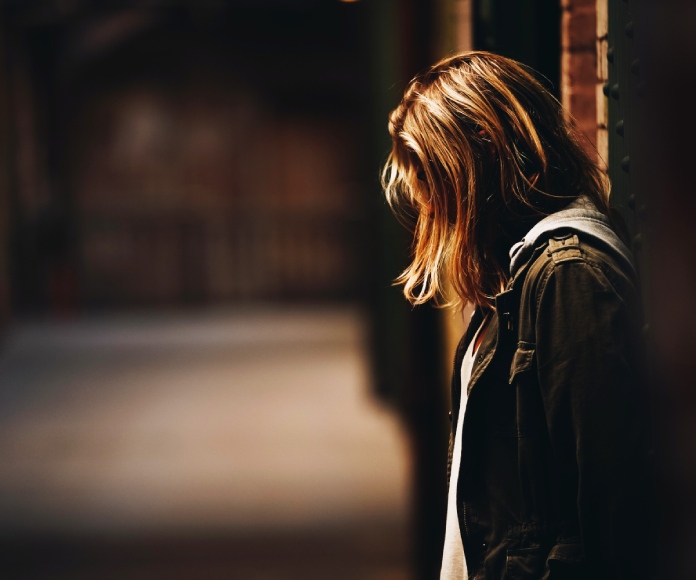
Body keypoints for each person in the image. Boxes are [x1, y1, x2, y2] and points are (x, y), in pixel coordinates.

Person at [381, 51, 656, 580]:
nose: (426, 201)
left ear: (483, 146)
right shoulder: (521, 272)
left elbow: (608, 509)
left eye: (430, 172)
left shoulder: (567, 275)